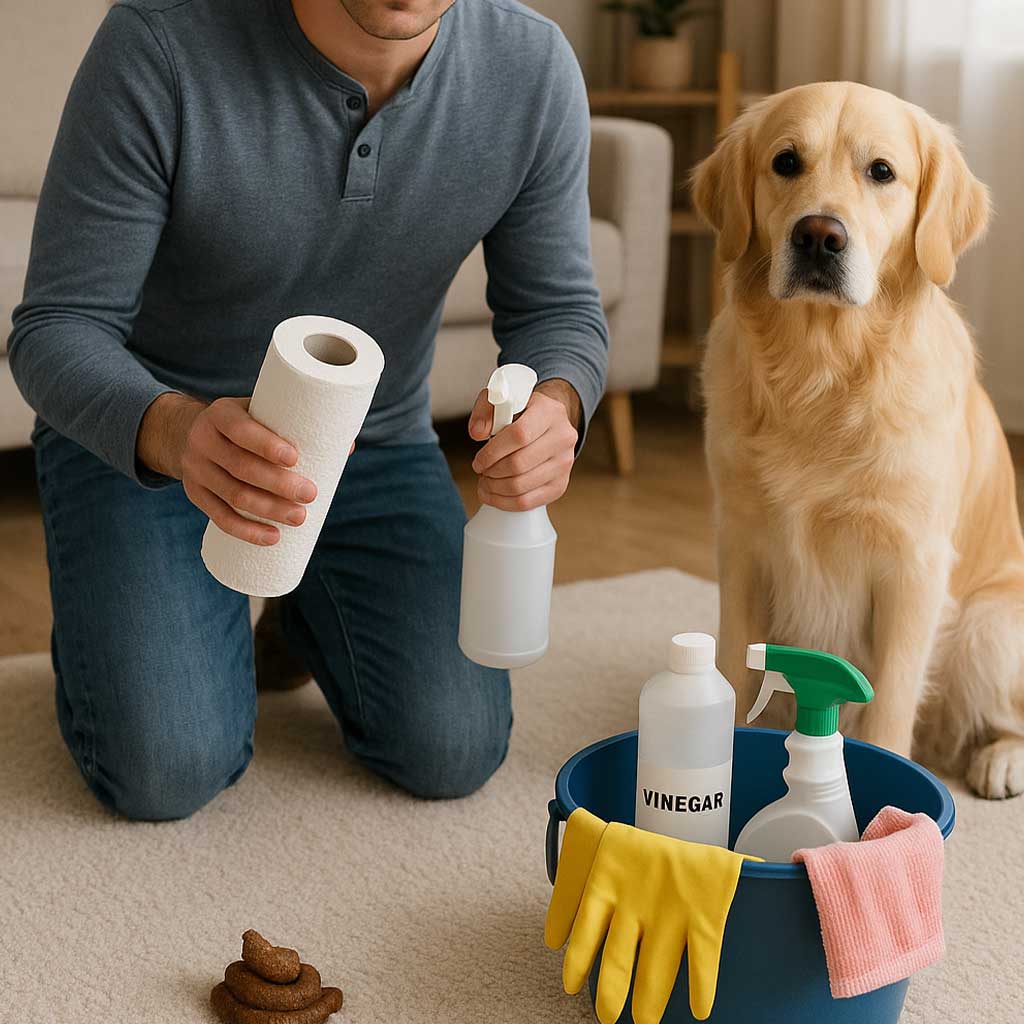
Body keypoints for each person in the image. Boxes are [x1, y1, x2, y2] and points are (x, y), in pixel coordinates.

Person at [8, 0, 608, 820]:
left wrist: (557, 399)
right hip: (153, 443)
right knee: (165, 769)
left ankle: (303, 614)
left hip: (372, 442)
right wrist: (177, 432)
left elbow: (559, 312)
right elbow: (56, 327)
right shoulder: (160, 41)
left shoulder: (530, 67)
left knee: (453, 747)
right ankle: (114, 624)